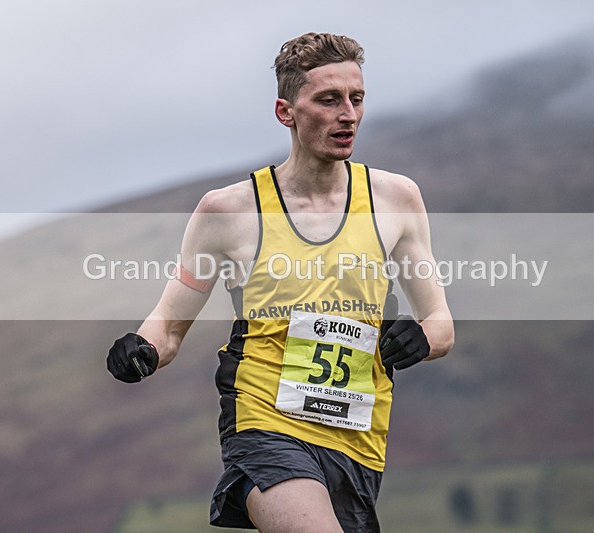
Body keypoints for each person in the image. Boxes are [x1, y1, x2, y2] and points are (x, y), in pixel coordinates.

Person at [107, 32, 454, 532]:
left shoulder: (396, 199)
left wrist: (420, 338)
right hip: (265, 424)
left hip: (357, 438)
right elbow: (170, 326)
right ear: (285, 111)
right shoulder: (228, 211)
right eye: (328, 100)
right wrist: (140, 348)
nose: (348, 114)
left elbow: (440, 324)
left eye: (357, 99)